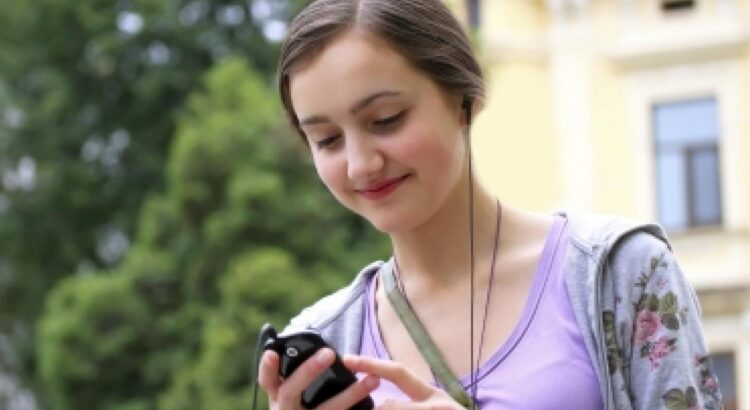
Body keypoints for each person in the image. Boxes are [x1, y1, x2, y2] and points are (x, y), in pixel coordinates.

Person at [258, 1, 724, 409]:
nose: (360, 165)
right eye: (327, 139)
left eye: (386, 120)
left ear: (465, 101)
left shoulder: (622, 275)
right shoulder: (325, 341)